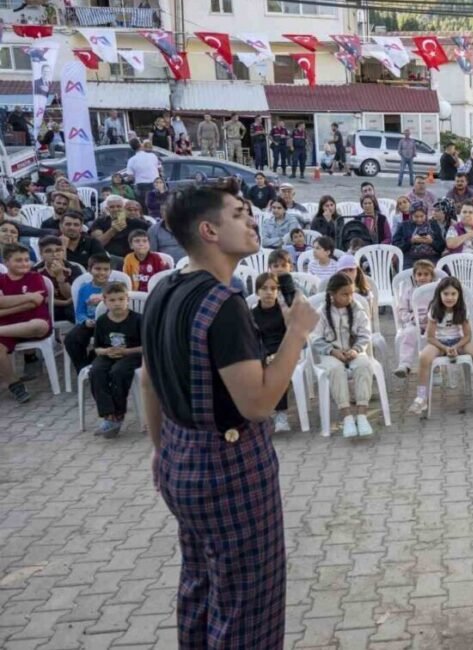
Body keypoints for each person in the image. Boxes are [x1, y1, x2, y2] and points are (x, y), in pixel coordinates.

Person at [141, 184, 319, 647]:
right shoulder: (224, 304)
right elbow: (258, 404)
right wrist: (296, 334)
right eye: (240, 214)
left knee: (200, 587)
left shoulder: (164, 289)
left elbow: (149, 381)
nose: (252, 221)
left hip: (181, 460)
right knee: (247, 606)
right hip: (229, 470)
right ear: (209, 230)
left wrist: (161, 452)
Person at [407, 277, 473, 414]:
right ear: (439, 294)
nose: (449, 298)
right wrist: (445, 348)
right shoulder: (434, 309)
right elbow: (430, 337)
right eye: (446, 294)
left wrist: (456, 346)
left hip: (458, 340)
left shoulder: (461, 309)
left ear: (458, 295)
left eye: (453, 294)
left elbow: (468, 335)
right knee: (424, 358)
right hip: (438, 342)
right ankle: (421, 397)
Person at [311, 272, 375, 437]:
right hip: (331, 353)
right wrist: (333, 351)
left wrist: (356, 350)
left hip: (354, 351)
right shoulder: (322, 313)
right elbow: (315, 338)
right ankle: (347, 416)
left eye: (351, 293)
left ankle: (361, 415)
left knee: (364, 366)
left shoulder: (357, 309)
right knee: (335, 370)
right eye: (344, 294)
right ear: (332, 294)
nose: (349, 297)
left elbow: (365, 334)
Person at [88, 282, 143, 437]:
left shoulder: (138, 319)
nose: (117, 303)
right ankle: (108, 415)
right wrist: (107, 351)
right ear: (105, 302)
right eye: (112, 300)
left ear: (128, 300)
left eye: (121, 299)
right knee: (96, 371)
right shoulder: (102, 321)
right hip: (108, 354)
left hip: (132, 354)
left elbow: (146, 347)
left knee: (118, 372)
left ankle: (118, 414)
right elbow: (97, 348)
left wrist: (125, 351)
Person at [0, 243, 51, 403]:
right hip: (7, 326)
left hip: (32, 323)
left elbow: (36, 302)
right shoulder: (1, 280)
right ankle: (14, 384)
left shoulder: (35, 277)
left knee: (40, 326)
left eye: (26, 260)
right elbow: (30, 300)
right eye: (18, 260)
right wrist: (28, 297)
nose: (24, 264)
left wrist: (6, 303)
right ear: (6, 262)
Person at [251, 273, 292, 433]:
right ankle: (262, 415)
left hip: (283, 353)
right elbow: (253, 340)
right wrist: (264, 356)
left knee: (276, 369)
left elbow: (290, 337)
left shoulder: (284, 312)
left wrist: (278, 355)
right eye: (264, 288)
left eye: (273, 288)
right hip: (262, 354)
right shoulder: (251, 315)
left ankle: (281, 414)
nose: (269, 292)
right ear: (257, 292)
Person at [64, 252, 113, 373]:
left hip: (111, 324)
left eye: (106, 269)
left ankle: (94, 359)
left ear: (110, 271)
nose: (102, 272)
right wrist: (86, 321)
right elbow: (80, 312)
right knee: (71, 338)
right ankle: (83, 369)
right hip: (91, 323)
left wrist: (104, 298)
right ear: (89, 270)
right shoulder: (84, 288)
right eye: (97, 269)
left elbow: (122, 308)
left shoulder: (116, 287)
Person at [394, 259, 437, 378]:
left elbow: (442, 308)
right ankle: (405, 365)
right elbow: (402, 310)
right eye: (419, 274)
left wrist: (433, 319)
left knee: (434, 338)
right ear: (414, 276)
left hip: (432, 323)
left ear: (431, 276)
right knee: (408, 334)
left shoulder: (436, 291)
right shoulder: (409, 291)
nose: (422, 277)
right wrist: (412, 318)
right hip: (414, 322)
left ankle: (435, 367)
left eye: (426, 274)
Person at [32, 236, 81, 322]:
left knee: (73, 310)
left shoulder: (74, 268)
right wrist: (64, 303)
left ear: (63, 251)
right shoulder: (35, 271)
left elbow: (72, 295)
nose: (54, 255)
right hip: (49, 305)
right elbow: (40, 298)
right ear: (41, 254)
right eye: (48, 251)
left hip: (71, 306)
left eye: (58, 250)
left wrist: (60, 275)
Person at [126, 141, 162, 209]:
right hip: (155, 183)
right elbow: (160, 169)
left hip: (141, 185)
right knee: (156, 205)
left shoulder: (131, 160)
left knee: (144, 206)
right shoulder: (153, 156)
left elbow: (130, 177)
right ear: (141, 145)